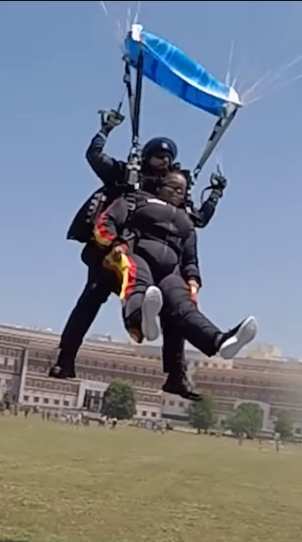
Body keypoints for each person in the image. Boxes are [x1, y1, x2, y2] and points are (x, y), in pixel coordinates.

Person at [50, 111, 225, 392]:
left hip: (151, 257)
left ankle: (176, 376)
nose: (163, 162)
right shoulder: (126, 174)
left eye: (167, 159)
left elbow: (197, 220)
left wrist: (214, 196)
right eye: (158, 156)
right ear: (147, 156)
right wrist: (105, 129)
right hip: (113, 250)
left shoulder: (174, 190)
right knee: (91, 299)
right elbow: (95, 157)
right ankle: (65, 359)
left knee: (173, 312)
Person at [93, 167, 258, 367]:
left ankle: (219, 341)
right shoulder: (137, 200)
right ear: (160, 186)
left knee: (183, 304)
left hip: (171, 270)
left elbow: (190, 257)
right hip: (138, 254)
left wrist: (193, 280)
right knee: (137, 278)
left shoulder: (186, 221)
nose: (177, 192)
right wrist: (115, 243)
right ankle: (140, 320)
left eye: (182, 190)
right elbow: (106, 221)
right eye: (173, 187)